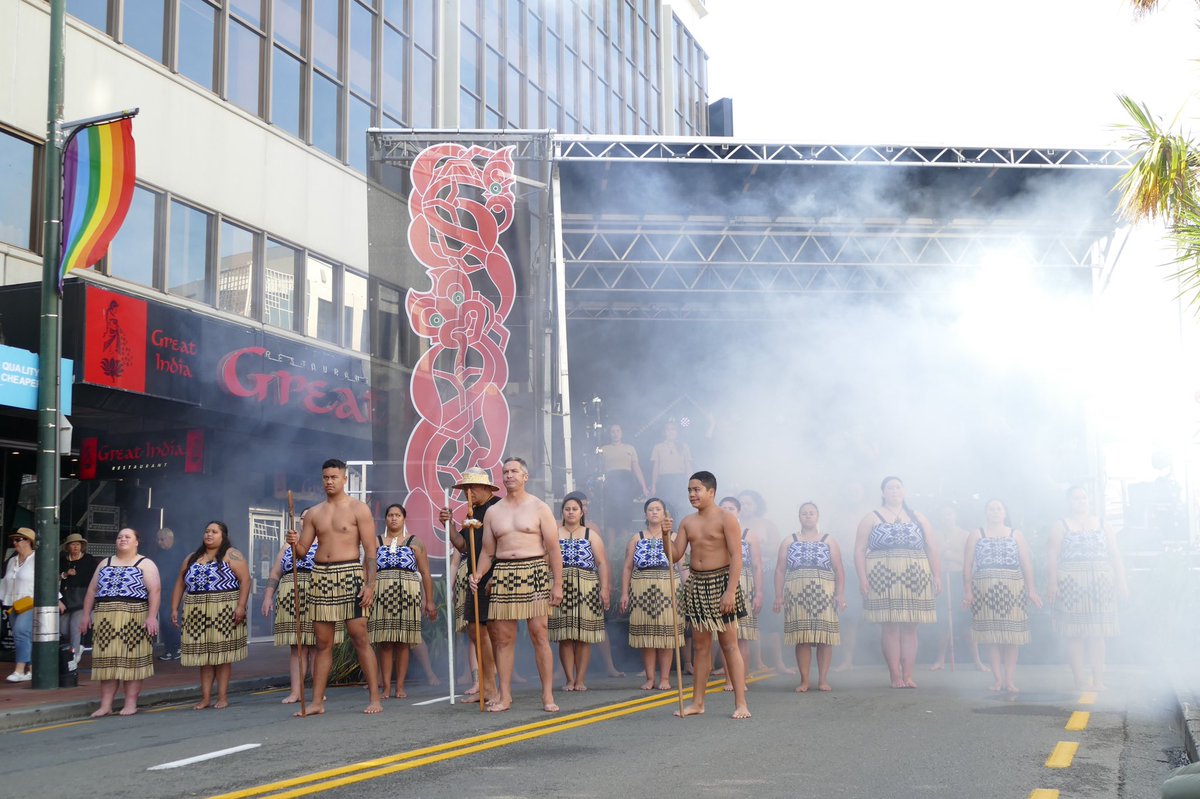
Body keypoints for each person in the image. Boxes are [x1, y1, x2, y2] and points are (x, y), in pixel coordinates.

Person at [470, 456, 564, 713]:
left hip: (533, 571)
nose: (509, 475)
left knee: (539, 634)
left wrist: (558, 585)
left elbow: (554, 550)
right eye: (505, 471)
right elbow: (488, 552)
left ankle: (547, 695)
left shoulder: (539, 507)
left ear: (525, 477)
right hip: (503, 574)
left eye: (514, 471)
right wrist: (478, 575)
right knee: (503, 639)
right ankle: (505, 695)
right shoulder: (493, 512)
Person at [288, 458, 381, 715]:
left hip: (350, 573)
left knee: (359, 636)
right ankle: (317, 702)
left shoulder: (358, 509)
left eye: (334, 477)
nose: (329, 481)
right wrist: (294, 541)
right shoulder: (315, 513)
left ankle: (375, 697)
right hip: (320, 576)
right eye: (326, 477)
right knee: (322, 643)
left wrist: (370, 585)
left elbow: (371, 553)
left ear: (344, 479)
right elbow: (302, 552)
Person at [664, 471, 751, 720]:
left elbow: (737, 556)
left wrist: (730, 591)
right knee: (701, 647)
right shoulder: (687, 522)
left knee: (729, 644)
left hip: (722, 582)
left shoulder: (727, 519)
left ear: (711, 492)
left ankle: (741, 702)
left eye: (697, 489)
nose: (692, 494)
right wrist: (664, 534)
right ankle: (698, 702)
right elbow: (675, 555)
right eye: (690, 490)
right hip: (697, 584)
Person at [854, 476, 941, 689]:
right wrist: (862, 578)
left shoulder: (918, 517)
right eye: (890, 487)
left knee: (911, 626)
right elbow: (859, 549)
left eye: (898, 487)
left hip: (915, 574)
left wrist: (936, 575)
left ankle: (908, 675)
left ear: (904, 491)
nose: (894, 490)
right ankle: (895, 675)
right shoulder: (872, 517)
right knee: (890, 626)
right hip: (883, 575)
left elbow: (931, 547)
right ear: (883, 492)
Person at [1047, 485, 1128, 691]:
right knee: (1074, 633)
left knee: (1097, 632)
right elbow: (1053, 556)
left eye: (1084, 498)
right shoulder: (1060, 525)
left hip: (1100, 582)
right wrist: (1052, 583)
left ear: (1089, 501)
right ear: (1069, 502)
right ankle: (1080, 680)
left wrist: (1121, 581)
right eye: (1076, 498)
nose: (1080, 502)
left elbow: (1115, 554)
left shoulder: (1103, 524)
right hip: (1071, 582)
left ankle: (1098, 680)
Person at [963, 499, 1041, 694]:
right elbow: (967, 565)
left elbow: (1026, 564)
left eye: (999, 509)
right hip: (984, 590)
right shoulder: (976, 534)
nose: (995, 512)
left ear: (1005, 513)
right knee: (992, 637)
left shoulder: (1016, 534)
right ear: (986, 513)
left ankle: (1009, 679)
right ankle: (997, 679)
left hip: (1013, 589)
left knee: (1012, 637)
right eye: (991, 509)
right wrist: (967, 592)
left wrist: (1031, 590)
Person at [80, 528, 161, 716]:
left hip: (134, 616)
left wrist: (151, 617)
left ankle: (130, 703)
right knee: (106, 664)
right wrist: (86, 615)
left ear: (136, 541)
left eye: (127, 536)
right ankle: (106, 705)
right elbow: (92, 591)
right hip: (105, 617)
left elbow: (155, 591)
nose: (122, 539)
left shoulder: (145, 563)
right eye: (119, 537)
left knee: (132, 664)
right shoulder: (104, 563)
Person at [170, 521, 250, 709]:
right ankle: (205, 698)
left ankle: (222, 697)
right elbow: (180, 583)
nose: (209, 534)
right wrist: (174, 608)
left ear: (223, 536)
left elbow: (245, 580)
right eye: (207, 531)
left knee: (222, 656)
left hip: (224, 609)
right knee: (204, 657)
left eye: (214, 532)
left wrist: (241, 606)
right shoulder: (192, 558)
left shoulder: (232, 554)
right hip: (196, 610)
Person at [440, 467, 503, 704]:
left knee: (492, 633)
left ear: (487, 488)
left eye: (473, 488)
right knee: (475, 631)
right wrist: (451, 527)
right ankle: (485, 687)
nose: (468, 492)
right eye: (465, 489)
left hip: (494, 574)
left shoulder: (498, 507)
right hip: (474, 576)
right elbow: (463, 547)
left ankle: (496, 689)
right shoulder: (470, 512)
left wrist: (496, 574)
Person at [260, 508, 332, 705]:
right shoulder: (287, 545)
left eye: (309, 517)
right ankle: (296, 691)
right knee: (297, 647)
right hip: (291, 593)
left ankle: (318, 690)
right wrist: (268, 596)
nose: (305, 520)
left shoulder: (325, 542)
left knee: (318, 645)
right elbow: (275, 573)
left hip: (318, 592)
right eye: (302, 517)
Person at [773, 502, 846, 692]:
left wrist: (840, 594)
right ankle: (804, 680)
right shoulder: (789, 540)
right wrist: (778, 596)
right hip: (796, 592)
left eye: (811, 513)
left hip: (824, 591)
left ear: (818, 516)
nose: (808, 516)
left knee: (824, 637)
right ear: (799, 517)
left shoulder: (829, 540)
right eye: (804, 513)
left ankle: (823, 679)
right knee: (802, 637)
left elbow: (838, 569)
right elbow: (780, 570)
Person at [370, 503, 437, 699]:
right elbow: (369, 569)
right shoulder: (376, 541)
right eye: (390, 515)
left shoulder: (415, 542)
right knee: (385, 642)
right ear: (386, 519)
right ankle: (386, 688)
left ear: (404, 518)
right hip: (382, 593)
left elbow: (425, 573)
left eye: (397, 515)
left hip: (408, 593)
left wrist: (429, 601)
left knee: (403, 642)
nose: (393, 518)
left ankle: (400, 687)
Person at [619, 497, 683, 690]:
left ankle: (664, 678)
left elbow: (683, 565)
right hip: (641, 587)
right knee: (646, 634)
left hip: (668, 586)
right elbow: (628, 567)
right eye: (651, 509)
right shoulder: (637, 537)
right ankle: (650, 678)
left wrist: (686, 591)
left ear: (665, 513)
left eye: (658, 509)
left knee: (666, 634)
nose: (654, 512)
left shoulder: (674, 536)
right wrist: (624, 593)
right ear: (645, 514)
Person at [548, 496, 610, 691]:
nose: (571, 512)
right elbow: (546, 562)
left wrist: (605, 588)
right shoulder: (554, 534)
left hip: (587, 587)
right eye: (567, 508)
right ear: (562, 512)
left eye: (575, 508)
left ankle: (580, 679)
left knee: (583, 636)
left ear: (582, 512)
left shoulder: (591, 534)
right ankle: (569, 679)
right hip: (560, 585)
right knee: (565, 636)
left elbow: (601, 563)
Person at [738, 489, 788, 673]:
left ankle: (779, 662)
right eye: (741, 503)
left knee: (770, 620)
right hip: (742, 575)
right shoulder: (734, 524)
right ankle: (756, 661)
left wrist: (756, 545)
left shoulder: (766, 524)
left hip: (764, 573)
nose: (745, 507)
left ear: (757, 505)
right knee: (750, 619)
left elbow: (776, 548)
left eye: (749, 503)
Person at [931, 505, 986, 672]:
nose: (946, 517)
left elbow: (971, 561)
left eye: (949, 514)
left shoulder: (965, 535)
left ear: (955, 516)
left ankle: (977, 661)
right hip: (941, 580)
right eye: (943, 514)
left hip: (960, 581)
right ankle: (940, 660)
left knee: (966, 623)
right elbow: (930, 558)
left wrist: (952, 556)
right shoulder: (934, 535)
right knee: (943, 622)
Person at [718, 497, 762, 692]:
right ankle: (729, 679)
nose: (727, 511)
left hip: (744, 583)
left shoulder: (748, 534)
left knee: (742, 635)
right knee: (725, 635)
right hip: (719, 581)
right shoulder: (715, 532)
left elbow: (757, 566)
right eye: (724, 508)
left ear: (739, 511)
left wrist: (759, 593)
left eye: (731, 508)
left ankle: (741, 679)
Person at [599, 424, 649, 539]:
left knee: (625, 515)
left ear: (621, 433)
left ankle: (625, 547)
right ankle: (611, 551)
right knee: (611, 517)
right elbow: (599, 470)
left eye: (617, 431)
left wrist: (644, 486)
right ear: (609, 434)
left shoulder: (630, 448)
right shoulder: (604, 449)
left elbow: (636, 468)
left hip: (626, 484)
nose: (615, 433)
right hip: (610, 485)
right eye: (613, 431)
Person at [2, 528, 38, 681]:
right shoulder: (12, 560)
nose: (15, 543)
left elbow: (47, 581)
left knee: (21, 631)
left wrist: (57, 599)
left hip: (31, 602)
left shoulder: (38, 559)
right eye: (14, 540)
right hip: (13, 603)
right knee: (21, 636)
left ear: (28, 541)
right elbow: (6, 582)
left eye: (18, 540)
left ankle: (19, 670)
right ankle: (32, 669)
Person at [58, 532, 98, 671]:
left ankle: (73, 658)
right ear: (67, 547)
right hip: (66, 599)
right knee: (63, 628)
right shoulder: (63, 560)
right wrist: (65, 574)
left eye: (78, 544)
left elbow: (97, 578)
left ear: (82, 546)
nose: (75, 547)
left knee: (76, 624)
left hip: (83, 599)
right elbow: (52, 577)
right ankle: (78, 647)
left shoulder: (89, 559)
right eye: (72, 544)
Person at [152, 528, 185, 661]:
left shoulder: (181, 553)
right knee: (164, 621)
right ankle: (169, 649)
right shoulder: (159, 554)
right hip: (162, 592)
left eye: (162, 539)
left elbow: (185, 574)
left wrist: (184, 591)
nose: (159, 542)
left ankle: (178, 648)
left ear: (170, 538)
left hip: (176, 592)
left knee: (174, 620)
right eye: (158, 539)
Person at [650, 420, 692, 508]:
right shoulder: (658, 447)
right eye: (668, 430)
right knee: (666, 507)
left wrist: (691, 485)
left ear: (677, 432)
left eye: (673, 429)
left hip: (679, 481)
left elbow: (688, 467)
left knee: (680, 507)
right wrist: (653, 485)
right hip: (665, 481)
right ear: (664, 432)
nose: (670, 432)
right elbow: (656, 468)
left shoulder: (684, 446)